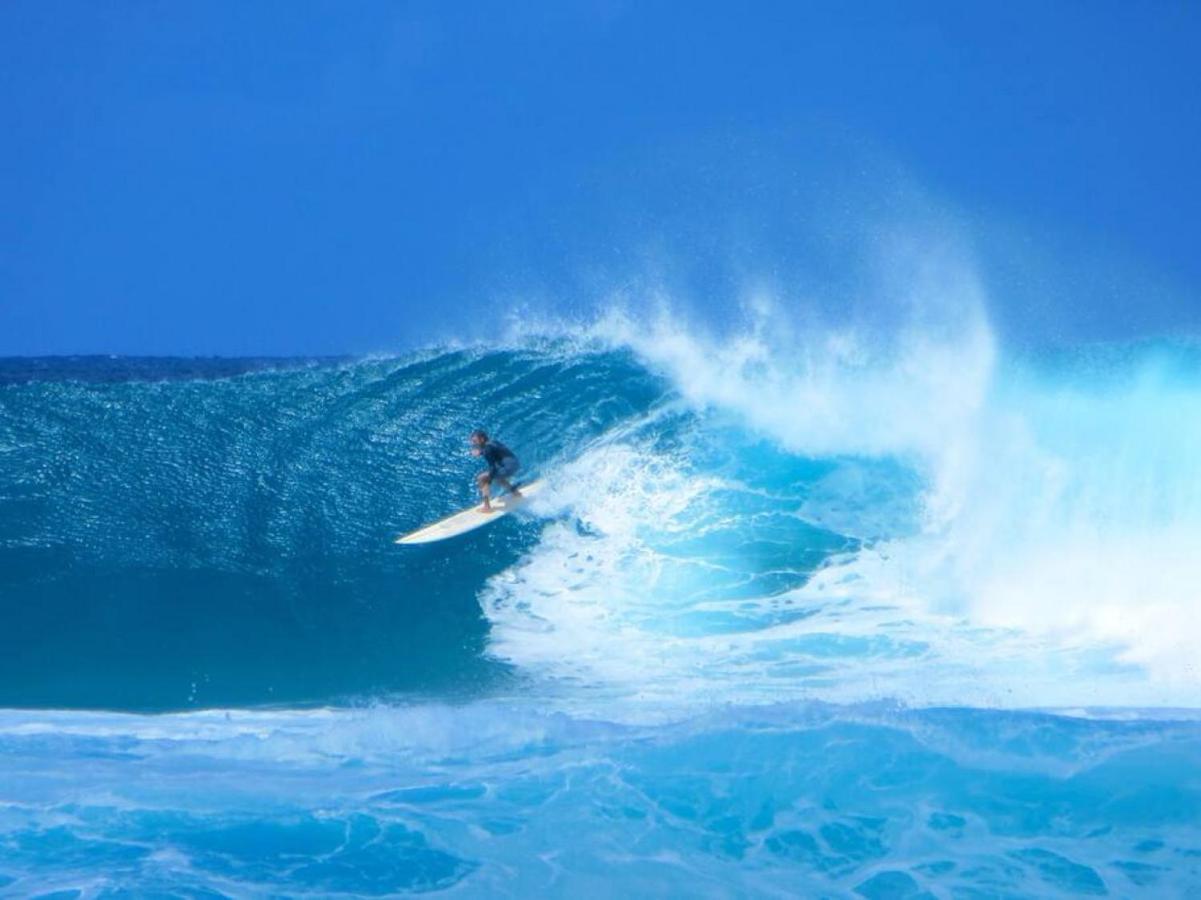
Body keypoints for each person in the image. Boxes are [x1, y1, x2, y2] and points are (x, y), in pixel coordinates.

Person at [469, 429, 521, 513]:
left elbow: (492, 467)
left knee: (481, 478)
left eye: (475, 441)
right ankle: (515, 492)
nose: (473, 443)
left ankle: (487, 507)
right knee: (498, 477)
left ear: (482, 439)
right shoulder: (493, 442)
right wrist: (481, 452)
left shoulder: (486, 450)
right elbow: (493, 450)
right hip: (515, 464)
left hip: (508, 468)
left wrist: (488, 480)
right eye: (472, 441)